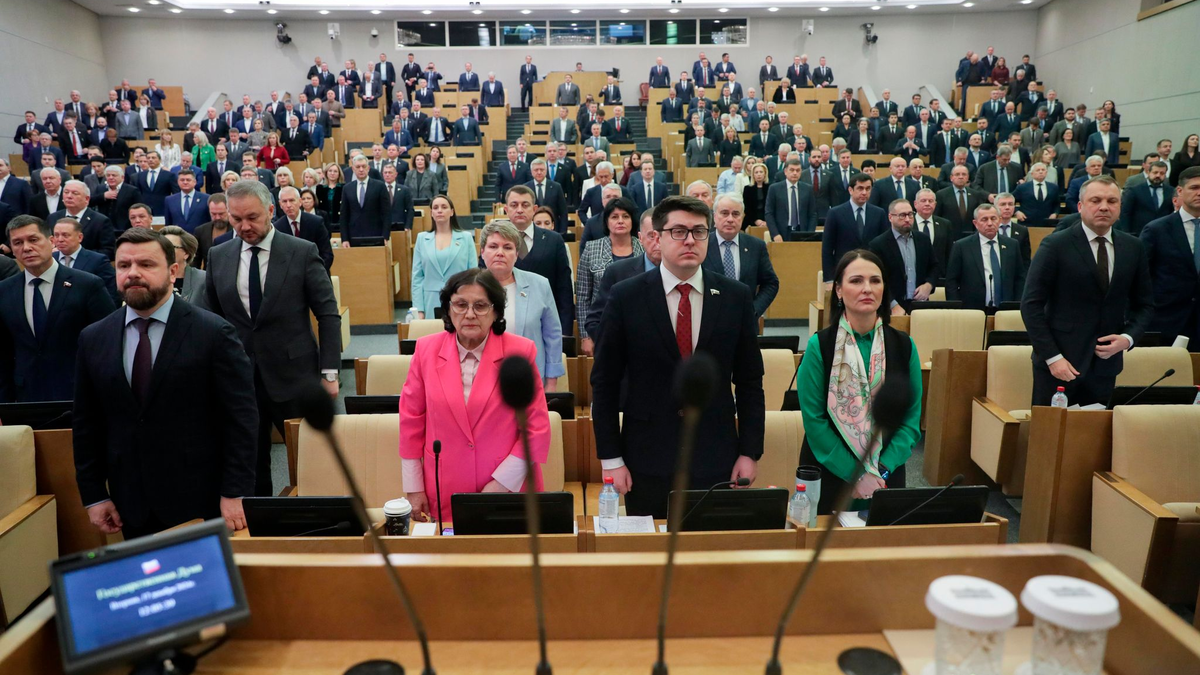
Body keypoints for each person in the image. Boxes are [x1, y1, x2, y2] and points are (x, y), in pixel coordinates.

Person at [73, 227, 255, 540]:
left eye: (146, 264)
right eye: (124, 265)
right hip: (131, 502)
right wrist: (94, 494)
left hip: (201, 500)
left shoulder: (213, 333)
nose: (133, 273)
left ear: (173, 271)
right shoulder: (94, 338)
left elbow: (241, 420)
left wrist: (235, 492)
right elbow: (87, 423)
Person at [592, 196, 764, 517]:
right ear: (656, 237)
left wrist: (749, 452)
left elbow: (750, 381)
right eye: (679, 231)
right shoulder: (626, 296)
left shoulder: (735, 296)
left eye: (699, 231)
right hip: (646, 455)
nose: (689, 240)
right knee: (650, 560)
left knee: (707, 557)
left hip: (716, 455)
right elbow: (604, 382)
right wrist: (612, 459)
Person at [205, 180, 341, 496]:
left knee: (310, 463)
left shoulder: (301, 251)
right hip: (240, 379)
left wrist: (330, 372)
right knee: (250, 464)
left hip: (295, 377)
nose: (244, 226)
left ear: (270, 210)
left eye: (252, 217)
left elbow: (328, 314)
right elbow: (212, 320)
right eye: (236, 219)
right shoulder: (218, 255)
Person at [398, 267, 551, 523]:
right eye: (460, 304)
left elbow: (536, 429)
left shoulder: (520, 352)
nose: (469, 314)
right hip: (443, 488)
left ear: (496, 311)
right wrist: (414, 486)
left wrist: (499, 486)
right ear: (448, 309)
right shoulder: (426, 350)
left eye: (480, 305)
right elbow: (411, 420)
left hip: (508, 487)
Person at [798, 249, 921, 514]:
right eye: (856, 281)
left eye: (875, 281)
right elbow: (814, 422)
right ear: (839, 291)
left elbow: (910, 422)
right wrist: (856, 474)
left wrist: (881, 472)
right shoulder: (820, 345)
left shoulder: (904, 346)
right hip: (832, 472)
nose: (867, 288)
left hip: (884, 477)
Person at [1021, 175, 1154, 406]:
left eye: (1112, 201)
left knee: (1093, 438)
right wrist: (1053, 358)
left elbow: (1145, 305)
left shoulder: (1133, 247)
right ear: (1081, 206)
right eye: (1096, 200)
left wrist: (1127, 338)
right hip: (1059, 365)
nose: (1104, 206)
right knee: (1050, 438)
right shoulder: (1055, 245)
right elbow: (1031, 305)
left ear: (1120, 208)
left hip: (1105, 366)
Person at [0, 215, 115, 402]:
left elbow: (108, 343)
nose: (26, 247)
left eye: (33, 239)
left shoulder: (87, 285)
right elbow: (4, 353)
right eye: (18, 242)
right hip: (24, 397)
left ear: (51, 241)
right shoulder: (5, 291)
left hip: (79, 394)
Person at [480, 220, 564, 388]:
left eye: (508, 247)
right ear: (482, 252)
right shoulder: (469, 288)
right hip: (481, 380)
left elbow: (552, 336)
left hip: (528, 379)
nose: (500, 253)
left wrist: (551, 384)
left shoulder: (539, 284)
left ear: (517, 254)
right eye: (493, 246)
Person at [1140, 166, 1200, 348]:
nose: (1199, 193)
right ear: (1180, 191)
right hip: (1167, 320)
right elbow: (1140, 276)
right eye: (1194, 188)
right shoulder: (1156, 229)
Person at [577, 199, 644, 356]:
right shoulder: (591, 248)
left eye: (625, 216)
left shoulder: (644, 247)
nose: (620, 221)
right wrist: (585, 335)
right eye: (614, 217)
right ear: (606, 222)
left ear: (632, 221)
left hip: (639, 326)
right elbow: (582, 296)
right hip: (602, 327)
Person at [702, 193, 779, 317]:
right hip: (708, 320)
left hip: (745, 322)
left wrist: (753, 310)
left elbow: (771, 283)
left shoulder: (756, 246)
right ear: (715, 216)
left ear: (742, 217)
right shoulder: (702, 244)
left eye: (736, 214)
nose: (730, 219)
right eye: (725, 213)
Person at [410, 195, 476, 320]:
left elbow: (472, 274)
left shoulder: (466, 238)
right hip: (430, 301)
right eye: (435, 207)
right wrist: (419, 309)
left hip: (460, 298)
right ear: (431, 213)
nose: (439, 210)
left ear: (451, 212)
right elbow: (417, 277)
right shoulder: (422, 239)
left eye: (444, 207)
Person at [867, 199, 937, 315]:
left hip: (920, 305)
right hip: (892, 308)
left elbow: (934, 267)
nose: (907, 219)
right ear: (890, 217)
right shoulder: (878, 245)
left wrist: (928, 285)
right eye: (902, 215)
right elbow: (876, 279)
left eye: (910, 214)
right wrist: (892, 304)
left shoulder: (923, 239)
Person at [822, 173, 888, 285]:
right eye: (860, 188)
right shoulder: (835, 213)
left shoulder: (879, 213)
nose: (864, 192)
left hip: (871, 270)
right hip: (845, 270)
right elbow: (827, 248)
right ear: (850, 190)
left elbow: (885, 246)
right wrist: (829, 279)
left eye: (868, 189)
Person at [52, 217, 119, 304]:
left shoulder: (98, 261)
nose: (60, 239)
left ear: (80, 237)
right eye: (56, 235)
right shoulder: (49, 259)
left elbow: (112, 293)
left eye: (65, 235)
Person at [274, 186, 334, 272]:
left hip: (317, 276)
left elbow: (327, 255)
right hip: (291, 280)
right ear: (280, 205)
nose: (288, 205)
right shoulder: (277, 228)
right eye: (284, 201)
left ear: (300, 202)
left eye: (292, 200)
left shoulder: (316, 222)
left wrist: (314, 275)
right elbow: (278, 259)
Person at [159, 226, 209, 310]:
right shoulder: (152, 277)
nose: (164, 251)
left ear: (186, 253)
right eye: (161, 247)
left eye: (170, 247)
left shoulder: (203, 279)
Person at [1120, 161, 1174, 236]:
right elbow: (1125, 213)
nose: (1158, 175)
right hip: (1139, 233)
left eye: (1162, 173)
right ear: (1148, 172)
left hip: (1163, 233)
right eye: (1155, 172)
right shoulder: (1135, 190)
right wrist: (1126, 233)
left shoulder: (1170, 191)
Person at [193, 194, 231, 269]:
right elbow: (195, 260)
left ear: (228, 210)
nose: (217, 218)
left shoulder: (237, 229)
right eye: (213, 214)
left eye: (221, 214)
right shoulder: (201, 231)